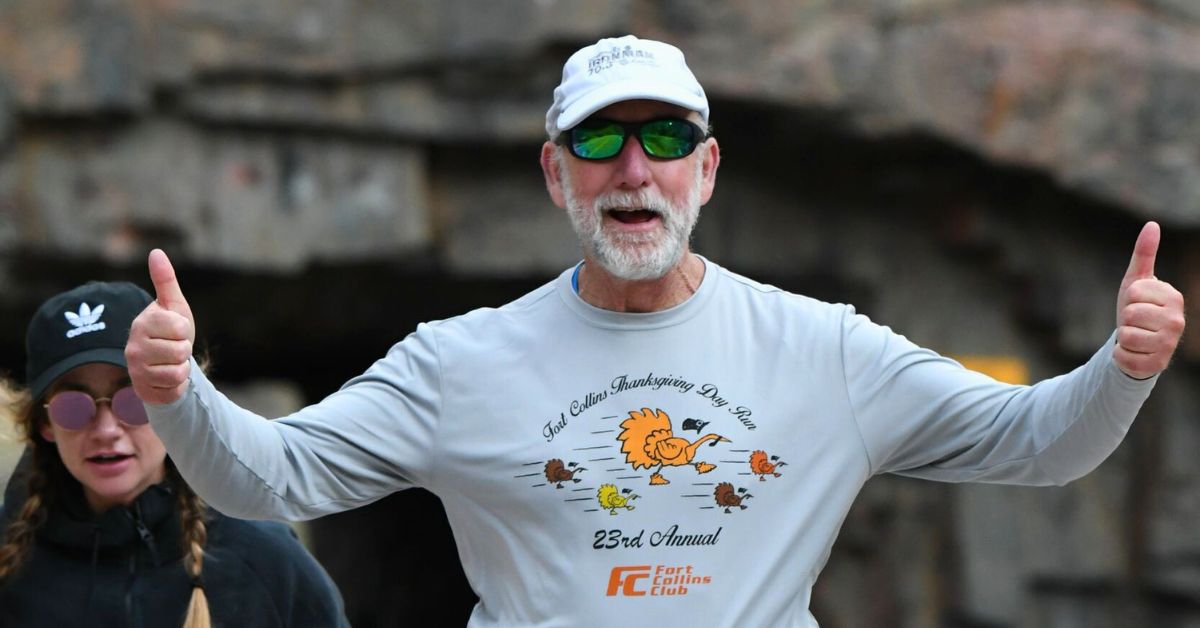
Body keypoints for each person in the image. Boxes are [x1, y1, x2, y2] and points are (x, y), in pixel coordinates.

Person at [125, 35, 1186, 627]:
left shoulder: (828, 350)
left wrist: (1122, 366)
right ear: (556, 173)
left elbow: (1046, 444)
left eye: (666, 135)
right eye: (600, 140)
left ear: (707, 168)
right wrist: (177, 390)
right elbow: (270, 480)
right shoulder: (458, 361)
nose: (634, 168)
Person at [0, 281, 350, 628]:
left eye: (134, 399)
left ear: (172, 405)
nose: (106, 430)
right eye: (73, 407)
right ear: (44, 422)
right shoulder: (8, 563)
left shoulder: (265, 560)